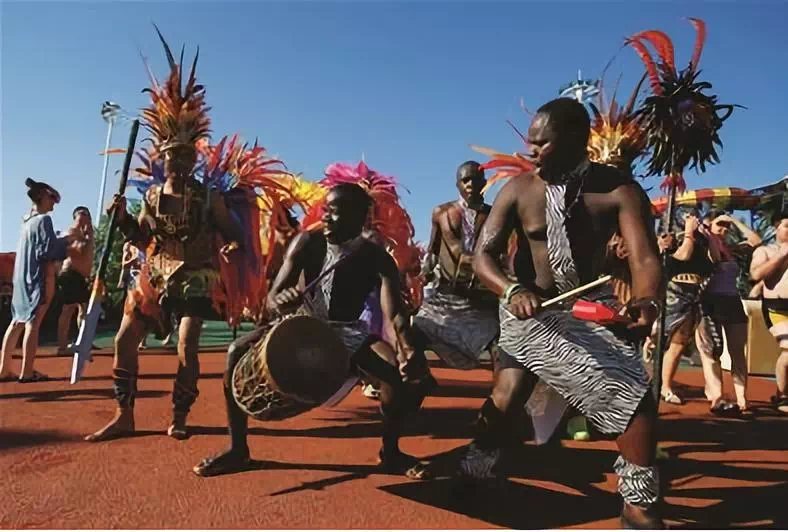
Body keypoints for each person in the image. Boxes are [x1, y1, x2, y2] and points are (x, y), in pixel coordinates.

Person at [465, 98, 663, 528]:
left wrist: (647, 301)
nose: (531, 151)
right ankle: (478, 465)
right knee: (511, 394)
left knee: (630, 396)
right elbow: (483, 256)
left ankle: (638, 503)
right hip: (528, 313)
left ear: (576, 140)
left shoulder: (620, 190)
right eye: (530, 143)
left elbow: (645, 260)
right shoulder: (517, 190)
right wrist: (512, 289)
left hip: (588, 309)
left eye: (542, 143)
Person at [194, 183, 432, 478]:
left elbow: (394, 312)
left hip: (347, 331)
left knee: (395, 372)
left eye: (336, 213)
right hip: (302, 323)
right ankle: (237, 449)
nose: (327, 219)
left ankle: (391, 452)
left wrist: (406, 346)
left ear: (360, 218)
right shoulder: (307, 242)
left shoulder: (376, 257)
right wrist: (280, 301)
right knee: (234, 352)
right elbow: (272, 297)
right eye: (325, 211)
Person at [86, 33, 244, 442]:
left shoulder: (210, 198)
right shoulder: (153, 197)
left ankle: (180, 414)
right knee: (124, 339)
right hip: (156, 274)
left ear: (193, 158)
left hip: (195, 275)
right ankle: (125, 415)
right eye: (171, 154)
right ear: (162, 157)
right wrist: (121, 220)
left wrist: (230, 245)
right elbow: (142, 237)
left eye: (184, 155)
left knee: (188, 345)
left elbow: (234, 234)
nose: (176, 161)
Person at [411, 161, 500, 370]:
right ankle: (416, 385)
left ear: (485, 183)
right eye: (465, 180)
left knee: (500, 349)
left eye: (476, 179)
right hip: (444, 298)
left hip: (479, 302)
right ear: (457, 183)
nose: (471, 184)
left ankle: (504, 398)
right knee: (411, 339)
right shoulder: (441, 212)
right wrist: (423, 275)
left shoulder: (495, 215)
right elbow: (432, 251)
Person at [0, 178, 82, 382]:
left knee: (16, 322)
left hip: (20, 278)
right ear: (43, 198)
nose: (53, 203)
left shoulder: (26, 221)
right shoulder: (43, 221)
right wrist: (68, 240)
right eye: (51, 198)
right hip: (36, 278)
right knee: (32, 324)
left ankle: (3, 369)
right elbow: (47, 251)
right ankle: (27, 371)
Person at [697, 210, 761, 418]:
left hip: (732, 300)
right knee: (711, 352)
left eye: (726, 226)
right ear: (709, 226)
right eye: (719, 225)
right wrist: (707, 231)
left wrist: (733, 219)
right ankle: (717, 396)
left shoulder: (732, 250)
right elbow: (712, 258)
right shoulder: (704, 246)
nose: (723, 229)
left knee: (737, 352)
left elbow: (755, 241)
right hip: (709, 302)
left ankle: (742, 398)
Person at [654, 211, 720, 405]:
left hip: (693, 297)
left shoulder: (701, 243)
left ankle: (665, 385)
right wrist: (689, 232)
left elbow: (716, 259)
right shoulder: (672, 240)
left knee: (679, 345)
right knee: (669, 343)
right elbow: (683, 256)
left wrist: (709, 236)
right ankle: (662, 386)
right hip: (675, 296)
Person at [749, 211, 788, 415]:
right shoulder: (765, 251)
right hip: (776, 307)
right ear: (776, 229)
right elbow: (755, 274)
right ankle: (781, 395)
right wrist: (782, 255)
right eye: (787, 226)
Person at [56, 206, 95, 355]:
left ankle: (83, 341)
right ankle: (62, 347)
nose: (87, 217)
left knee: (84, 310)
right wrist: (88, 237)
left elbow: (88, 256)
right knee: (68, 310)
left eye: (88, 214)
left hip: (80, 276)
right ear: (77, 216)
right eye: (83, 214)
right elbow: (80, 251)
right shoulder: (73, 232)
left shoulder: (84, 234)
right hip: (70, 275)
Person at [118, 241, 148, 350]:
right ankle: (128, 337)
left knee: (145, 310)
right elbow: (124, 264)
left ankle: (142, 341)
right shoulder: (129, 245)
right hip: (134, 281)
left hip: (148, 279)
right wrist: (121, 280)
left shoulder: (152, 241)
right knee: (131, 310)